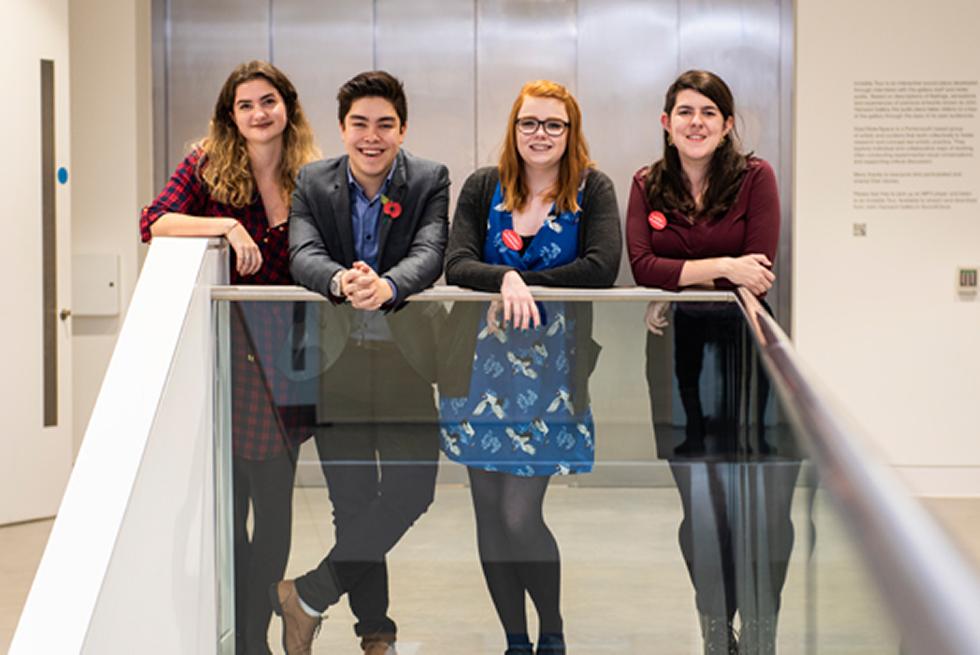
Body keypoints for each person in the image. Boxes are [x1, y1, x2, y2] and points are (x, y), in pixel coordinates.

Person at [140, 60, 320, 654]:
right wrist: (223, 225)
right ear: (231, 116)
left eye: (268, 101)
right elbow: (154, 221)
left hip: (292, 356)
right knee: (229, 510)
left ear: (286, 107)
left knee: (274, 514)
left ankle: (255, 634)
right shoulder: (207, 164)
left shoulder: (313, 177)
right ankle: (244, 639)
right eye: (245, 106)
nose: (258, 114)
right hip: (228, 357)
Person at [270, 70, 450, 655]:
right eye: (359, 125)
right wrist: (341, 280)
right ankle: (377, 636)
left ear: (402, 129)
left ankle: (306, 595)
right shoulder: (314, 181)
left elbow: (430, 250)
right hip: (335, 362)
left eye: (385, 125)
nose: (372, 137)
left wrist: (390, 286)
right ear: (342, 129)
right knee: (352, 503)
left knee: (411, 491)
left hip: (404, 358)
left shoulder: (428, 178)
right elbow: (302, 253)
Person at [441, 80, 621, 655]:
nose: (539, 135)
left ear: (571, 133)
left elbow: (601, 267)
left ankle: (552, 631)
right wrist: (507, 278)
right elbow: (456, 264)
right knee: (489, 517)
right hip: (477, 376)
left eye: (553, 125)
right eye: (529, 124)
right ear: (513, 129)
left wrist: (530, 282)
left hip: (551, 378)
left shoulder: (591, 190)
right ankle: (515, 640)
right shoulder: (482, 186)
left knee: (521, 516)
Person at [626, 69, 796, 654]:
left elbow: (762, 265)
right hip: (675, 355)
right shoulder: (647, 183)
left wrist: (679, 277)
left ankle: (762, 631)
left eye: (708, 112)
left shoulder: (756, 178)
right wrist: (720, 269)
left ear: (726, 126)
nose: (695, 122)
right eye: (685, 111)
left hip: (749, 350)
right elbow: (642, 266)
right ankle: (716, 630)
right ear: (666, 122)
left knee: (767, 510)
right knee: (702, 506)